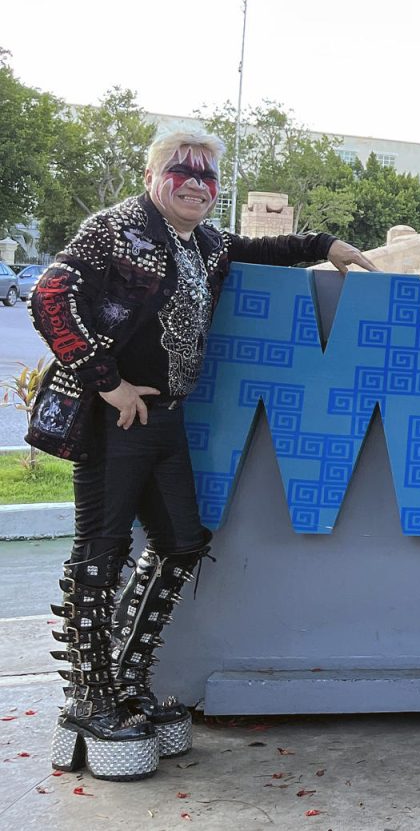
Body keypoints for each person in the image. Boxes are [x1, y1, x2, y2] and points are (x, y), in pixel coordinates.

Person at [29, 132, 375, 781]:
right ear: (152, 174)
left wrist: (325, 245)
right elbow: (49, 296)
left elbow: (262, 247)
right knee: (99, 553)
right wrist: (107, 381)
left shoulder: (206, 243)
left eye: (207, 175)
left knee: (183, 541)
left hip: (166, 419)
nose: (194, 182)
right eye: (180, 170)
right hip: (114, 419)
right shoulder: (116, 228)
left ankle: (126, 680)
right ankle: (89, 700)